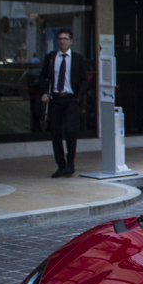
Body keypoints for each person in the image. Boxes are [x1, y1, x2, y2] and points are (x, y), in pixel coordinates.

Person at [40, 27, 87, 178]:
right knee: (55, 132)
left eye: (65, 39)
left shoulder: (78, 58)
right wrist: (44, 93)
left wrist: (79, 97)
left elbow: (83, 80)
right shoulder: (51, 58)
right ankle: (61, 165)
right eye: (59, 39)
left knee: (70, 131)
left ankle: (71, 162)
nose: (61, 41)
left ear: (71, 41)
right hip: (56, 99)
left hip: (71, 99)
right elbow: (42, 77)